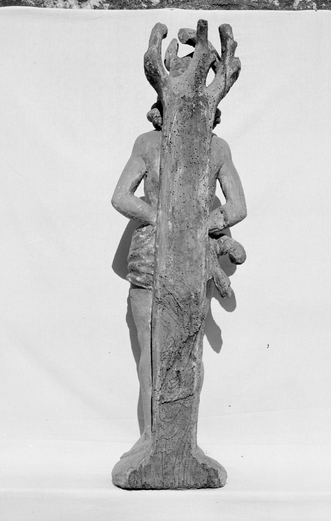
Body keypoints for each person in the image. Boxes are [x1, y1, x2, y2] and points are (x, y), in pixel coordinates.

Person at [111, 101, 246, 454]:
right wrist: (161, 219)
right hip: (150, 257)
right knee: (151, 353)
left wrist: (197, 226)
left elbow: (237, 207)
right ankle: (151, 439)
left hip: (191, 259)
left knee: (188, 353)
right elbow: (121, 197)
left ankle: (184, 444)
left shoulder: (216, 147)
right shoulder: (148, 143)